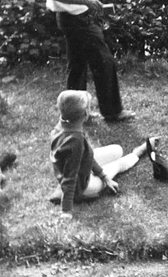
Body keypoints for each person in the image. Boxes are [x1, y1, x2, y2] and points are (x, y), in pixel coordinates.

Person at [49, 90, 155, 219]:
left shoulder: (62, 125)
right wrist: (66, 211)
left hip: (75, 168)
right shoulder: (75, 140)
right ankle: (138, 152)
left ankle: (63, 189)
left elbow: (87, 156)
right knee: (118, 165)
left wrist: (103, 176)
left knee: (117, 150)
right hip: (84, 185)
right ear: (86, 114)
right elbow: (71, 178)